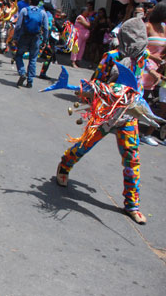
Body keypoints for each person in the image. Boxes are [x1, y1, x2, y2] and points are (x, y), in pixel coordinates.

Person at [56, 18, 150, 225]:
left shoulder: (144, 58)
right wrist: (97, 93)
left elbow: (141, 80)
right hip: (106, 114)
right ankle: (64, 165)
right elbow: (95, 82)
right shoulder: (111, 57)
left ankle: (132, 204)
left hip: (128, 116)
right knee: (84, 145)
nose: (137, 45)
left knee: (132, 158)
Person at [139, 2, 166, 146]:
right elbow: (139, 48)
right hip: (143, 68)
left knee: (145, 101)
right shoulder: (147, 26)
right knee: (136, 99)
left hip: (155, 72)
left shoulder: (164, 28)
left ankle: (135, 130)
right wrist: (152, 57)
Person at [14, 0, 49, 88]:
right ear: (38, 3)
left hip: (24, 37)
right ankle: (30, 81)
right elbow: (46, 28)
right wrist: (45, 40)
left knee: (18, 55)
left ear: (30, 1)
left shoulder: (24, 10)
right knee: (33, 59)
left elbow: (18, 25)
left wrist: (15, 37)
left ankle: (22, 72)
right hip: (36, 38)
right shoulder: (42, 13)